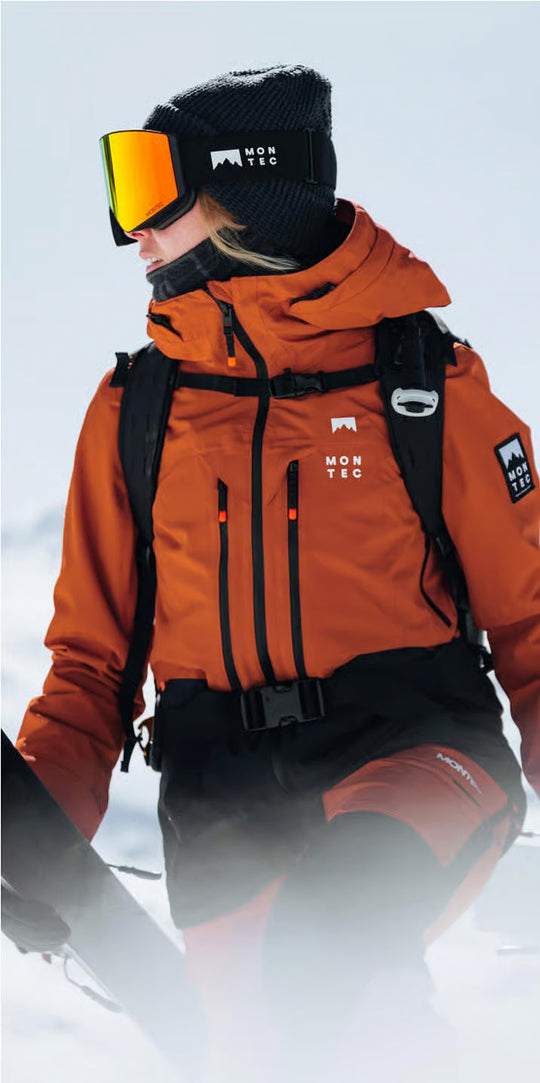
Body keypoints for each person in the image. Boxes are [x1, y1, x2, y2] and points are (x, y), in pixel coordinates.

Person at [6, 65, 540, 1082]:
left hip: (414, 756)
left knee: (326, 941)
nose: (134, 231)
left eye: (153, 188)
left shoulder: (422, 384)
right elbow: (91, 667)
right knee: (292, 1050)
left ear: (243, 194)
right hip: (223, 806)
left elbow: (532, 623)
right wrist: (37, 834)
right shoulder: (136, 412)